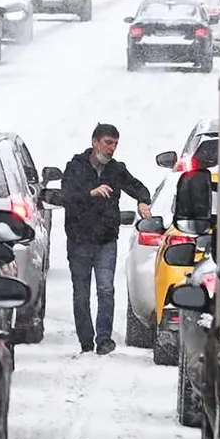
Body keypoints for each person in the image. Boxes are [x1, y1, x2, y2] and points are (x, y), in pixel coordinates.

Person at [60, 123, 152, 355]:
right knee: (81, 293)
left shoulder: (116, 170)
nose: (111, 148)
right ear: (95, 142)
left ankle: (104, 339)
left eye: (115, 144)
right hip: (79, 239)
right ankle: (86, 342)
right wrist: (91, 193)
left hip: (106, 240)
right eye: (107, 143)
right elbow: (66, 197)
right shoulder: (76, 167)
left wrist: (142, 201)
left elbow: (137, 187)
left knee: (106, 289)